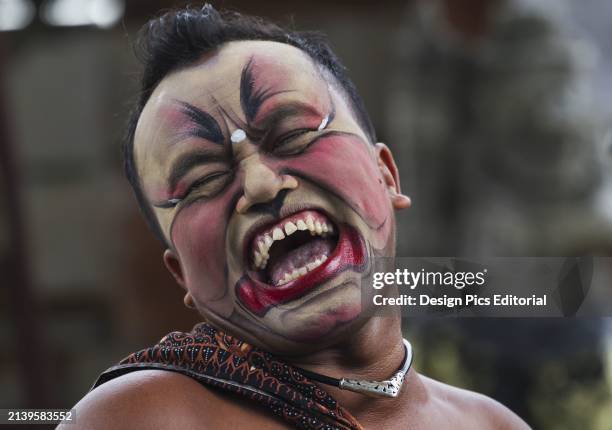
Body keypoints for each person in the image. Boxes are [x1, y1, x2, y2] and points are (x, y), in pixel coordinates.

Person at [62, 5, 530, 429]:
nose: (260, 185)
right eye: (202, 179)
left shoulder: (491, 425)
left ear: (386, 176)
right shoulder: (136, 419)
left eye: (292, 135)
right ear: (182, 274)